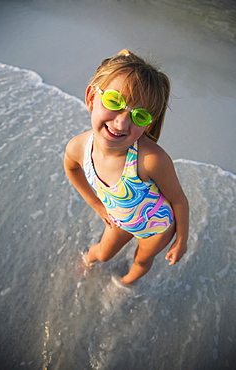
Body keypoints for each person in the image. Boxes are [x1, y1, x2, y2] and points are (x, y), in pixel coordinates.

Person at [63, 49, 189, 285]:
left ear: (148, 125)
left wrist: (181, 240)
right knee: (102, 252)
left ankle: (123, 285)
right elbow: (71, 168)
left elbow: (179, 200)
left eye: (139, 116)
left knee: (141, 261)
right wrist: (96, 204)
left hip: (157, 227)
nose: (121, 122)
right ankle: (86, 262)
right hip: (119, 220)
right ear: (91, 97)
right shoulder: (79, 147)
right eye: (113, 101)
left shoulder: (150, 160)